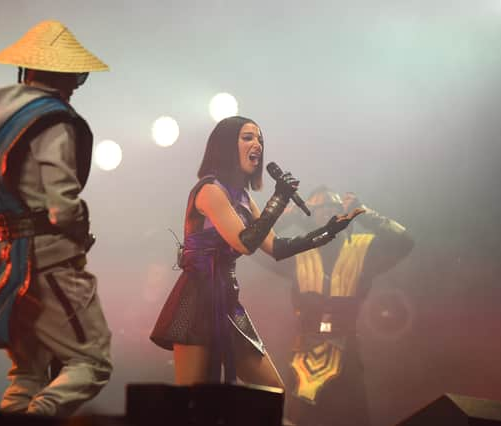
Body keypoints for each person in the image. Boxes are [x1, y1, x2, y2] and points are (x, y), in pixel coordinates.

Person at [0, 20, 113, 416]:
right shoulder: (52, 121)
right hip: (48, 262)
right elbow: (63, 206)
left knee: (27, 375)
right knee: (92, 362)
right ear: (71, 74)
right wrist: (79, 228)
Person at [150, 116, 363, 389]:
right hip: (198, 300)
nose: (258, 145)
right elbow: (244, 243)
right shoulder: (210, 190)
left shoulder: (243, 198)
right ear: (227, 145)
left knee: (273, 391)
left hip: (227, 300)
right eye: (248, 137)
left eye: (260, 139)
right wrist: (279, 198)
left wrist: (328, 231)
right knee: (193, 404)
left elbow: (276, 247)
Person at [268, 186, 414, 426]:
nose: (327, 212)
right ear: (308, 216)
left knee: (350, 419)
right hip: (302, 352)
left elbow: (405, 241)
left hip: (346, 349)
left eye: (333, 207)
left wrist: (364, 213)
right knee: (299, 420)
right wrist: (287, 218)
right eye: (319, 208)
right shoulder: (297, 250)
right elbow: (252, 244)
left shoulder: (362, 248)